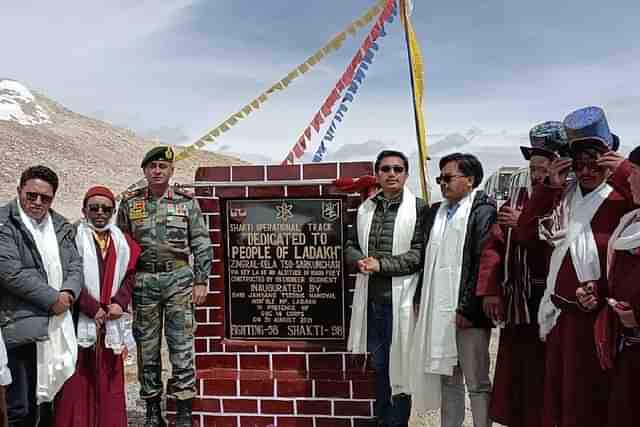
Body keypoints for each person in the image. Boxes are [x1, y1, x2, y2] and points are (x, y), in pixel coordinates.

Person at [517, 106, 634, 427]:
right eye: (578, 164)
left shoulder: (623, 198)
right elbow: (527, 233)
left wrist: (624, 171)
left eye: (594, 163)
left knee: (594, 402)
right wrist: (550, 186)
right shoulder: (563, 197)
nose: (585, 171)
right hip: (561, 318)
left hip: (601, 320)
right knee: (559, 400)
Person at [476, 122, 567, 427]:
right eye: (534, 166)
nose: (537, 173)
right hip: (517, 300)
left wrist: (525, 223)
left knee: (547, 375)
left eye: (544, 166)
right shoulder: (517, 193)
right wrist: (491, 289)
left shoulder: (570, 194)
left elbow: (563, 244)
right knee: (517, 377)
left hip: (550, 302)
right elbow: (494, 244)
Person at [117, 146, 212, 427]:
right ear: (144, 171)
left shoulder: (186, 203)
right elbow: (122, 248)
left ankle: (183, 412)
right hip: (144, 282)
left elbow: (202, 243)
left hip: (179, 281)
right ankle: (152, 412)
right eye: (152, 167)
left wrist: (201, 280)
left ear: (171, 171)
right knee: (147, 349)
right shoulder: (130, 204)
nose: (157, 171)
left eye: (162, 166)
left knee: (181, 347)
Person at [411, 153, 497, 427]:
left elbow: (481, 262)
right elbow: (427, 262)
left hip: (469, 314)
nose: (443, 184)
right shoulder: (435, 213)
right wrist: (419, 296)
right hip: (439, 310)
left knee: (477, 382)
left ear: (470, 180)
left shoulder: (482, 211)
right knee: (449, 378)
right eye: (440, 179)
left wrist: (467, 309)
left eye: (448, 178)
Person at [346, 150, 426, 427]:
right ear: (377, 173)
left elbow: (419, 255)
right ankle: (382, 418)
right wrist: (360, 262)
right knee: (379, 365)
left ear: (406, 174)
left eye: (398, 169)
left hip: (402, 300)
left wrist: (381, 265)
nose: (392, 173)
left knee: (400, 366)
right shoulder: (365, 208)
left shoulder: (418, 208)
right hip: (372, 301)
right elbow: (350, 245)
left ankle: (398, 422)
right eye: (385, 168)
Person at [0, 165, 82, 427]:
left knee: (48, 402)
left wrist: (68, 292)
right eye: (31, 195)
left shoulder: (59, 225)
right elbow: (10, 272)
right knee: (21, 407)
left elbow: (75, 265)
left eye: (45, 198)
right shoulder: (4, 223)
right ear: (19, 191)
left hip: (57, 322)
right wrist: (53, 299)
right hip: (20, 323)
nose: (37, 202)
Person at [53, 186, 141, 427]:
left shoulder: (124, 242)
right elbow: (67, 276)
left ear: (113, 212)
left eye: (106, 208)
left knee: (109, 377)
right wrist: (92, 308)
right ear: (84, 210)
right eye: (94, 208)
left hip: (111, 318)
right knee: (77, 376)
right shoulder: (71, 237)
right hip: (79, 316)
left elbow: (130, 276)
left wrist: (119, 303)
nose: (100, 213)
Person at [591, 146, 640, 426]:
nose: (627, 180)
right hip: (628, 348)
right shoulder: (631, 222)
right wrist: (596, 291)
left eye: (633, 173)